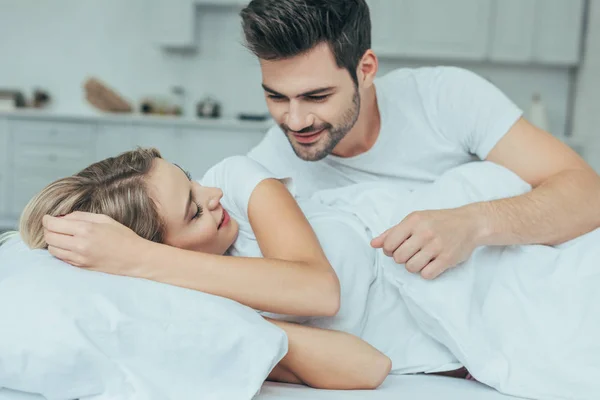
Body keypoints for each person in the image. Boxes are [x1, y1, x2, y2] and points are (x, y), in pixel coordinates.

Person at [16, 147, 460, 390]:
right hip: (446, 328)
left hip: (443, 243)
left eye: (189, 178)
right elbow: (369, 366)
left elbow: (319, 291)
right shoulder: (193, 306)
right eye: (193, 211)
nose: (212, 195)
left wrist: (141, 257)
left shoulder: (235, 181)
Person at [240, 0, 600, 280]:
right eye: (276, 97)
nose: (296, 121)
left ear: (365, 70)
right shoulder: (267, 169)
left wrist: (472, 224)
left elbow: (588, 194)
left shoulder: (446, 99)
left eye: (317, 96)